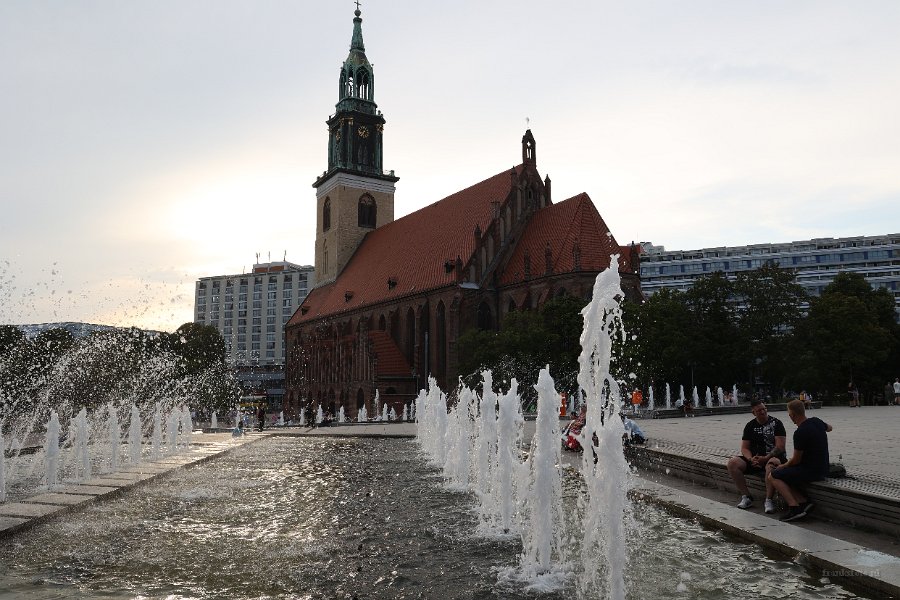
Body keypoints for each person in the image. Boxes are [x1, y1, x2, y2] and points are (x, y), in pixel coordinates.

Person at [769, 399, 833, 522]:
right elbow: (829, 428)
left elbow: (796, 460)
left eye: (789, 414)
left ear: (792, 415)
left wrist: (783, 466)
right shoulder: (816, 421)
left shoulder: (800, 432)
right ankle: (803, 502)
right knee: (786, 474)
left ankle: (795, 507)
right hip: (824, 468)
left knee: (774, 475)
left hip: (811, 471)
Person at [726, 400, 787, 514]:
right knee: (732, 463)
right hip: (755, 459)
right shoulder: (750, 425)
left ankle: (768, 500)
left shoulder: (777, 423)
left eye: (764, 409)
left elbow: (780, 447)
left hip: (774, 457)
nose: (763, 412)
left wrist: (766, 457)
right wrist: (750, 459)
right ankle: (747, 496)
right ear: (753, 412)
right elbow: (745, 448)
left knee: (771, 465)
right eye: (759, 410)